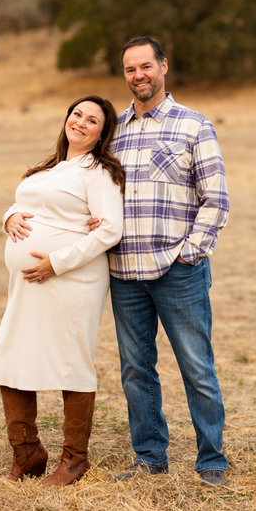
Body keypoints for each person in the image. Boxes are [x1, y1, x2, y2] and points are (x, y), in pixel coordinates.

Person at [107, 36, 230, 487]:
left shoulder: (194, 126)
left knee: (197, 367)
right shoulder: (112, 131)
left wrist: (189, 254)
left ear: (163, 67)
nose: (138, 75)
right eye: (129, 69)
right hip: (123, 273)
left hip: (178, 271)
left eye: (145, 66)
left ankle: (211, 459)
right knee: (136, 370)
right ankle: (149, 456)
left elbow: (215, 200)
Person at [0, 95, 124, 487]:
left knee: (70, 360)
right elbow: (22, 202)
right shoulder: (50, 167)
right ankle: (27, 453)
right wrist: (9, 216)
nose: (80, 122)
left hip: (72, 280)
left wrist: (56, 262)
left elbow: (110, 230)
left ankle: (75, 459)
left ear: (102, 134)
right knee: (12, 354)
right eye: (76, 114)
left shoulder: (98, 171)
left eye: (92, 120)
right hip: (29, 283)